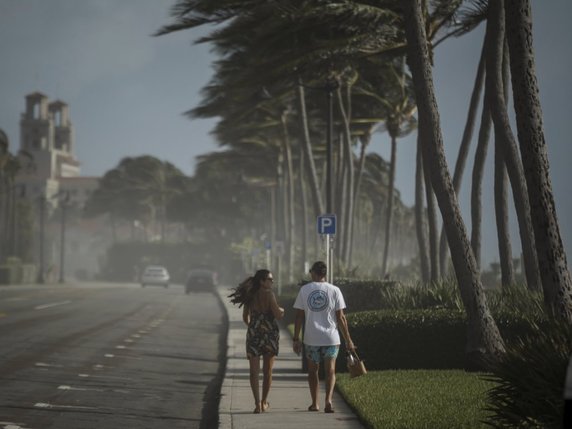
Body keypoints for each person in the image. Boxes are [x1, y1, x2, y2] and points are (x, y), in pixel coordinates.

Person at [293, 261, 355, 414]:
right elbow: (341, 317)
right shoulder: (335, 290)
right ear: (325, 274)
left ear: (314, 273)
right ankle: (328, 400)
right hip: (331, 339)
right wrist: (348, 339)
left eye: (311, 272)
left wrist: (296, 338)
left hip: (311, 338)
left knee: (313, 371)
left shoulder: (305, 290)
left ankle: (315, 403)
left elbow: (299, 317)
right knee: (331, 371)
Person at [229, 269, 284, 414]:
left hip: (253, 335)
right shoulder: (269, 294)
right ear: (262, 281)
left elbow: (245, 317)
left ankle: (256, 404)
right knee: (268, 371)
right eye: (270, 280)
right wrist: (282, 310)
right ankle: (264, 401)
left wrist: (253, 327)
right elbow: (278, 315)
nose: (272, 282)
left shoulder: (250, 295)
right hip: (270, 335)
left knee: (254, 372)